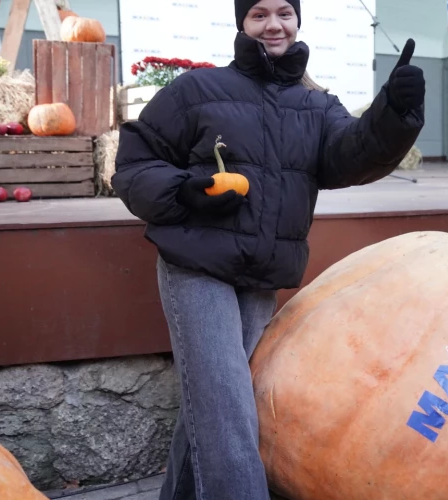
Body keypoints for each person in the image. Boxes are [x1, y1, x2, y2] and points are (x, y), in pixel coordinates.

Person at [111, 0, 425, 498]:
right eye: (259, 14)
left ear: (297, 20)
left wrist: (395, 114)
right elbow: (133, 163)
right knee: (228, 408)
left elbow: (350, 156)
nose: (273, 24)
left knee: (215, 403)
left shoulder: (317, 106)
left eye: (284, 12)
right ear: (242, 23)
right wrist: (183, 191)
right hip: (196, 265)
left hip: (261, 273)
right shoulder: (197, 91)